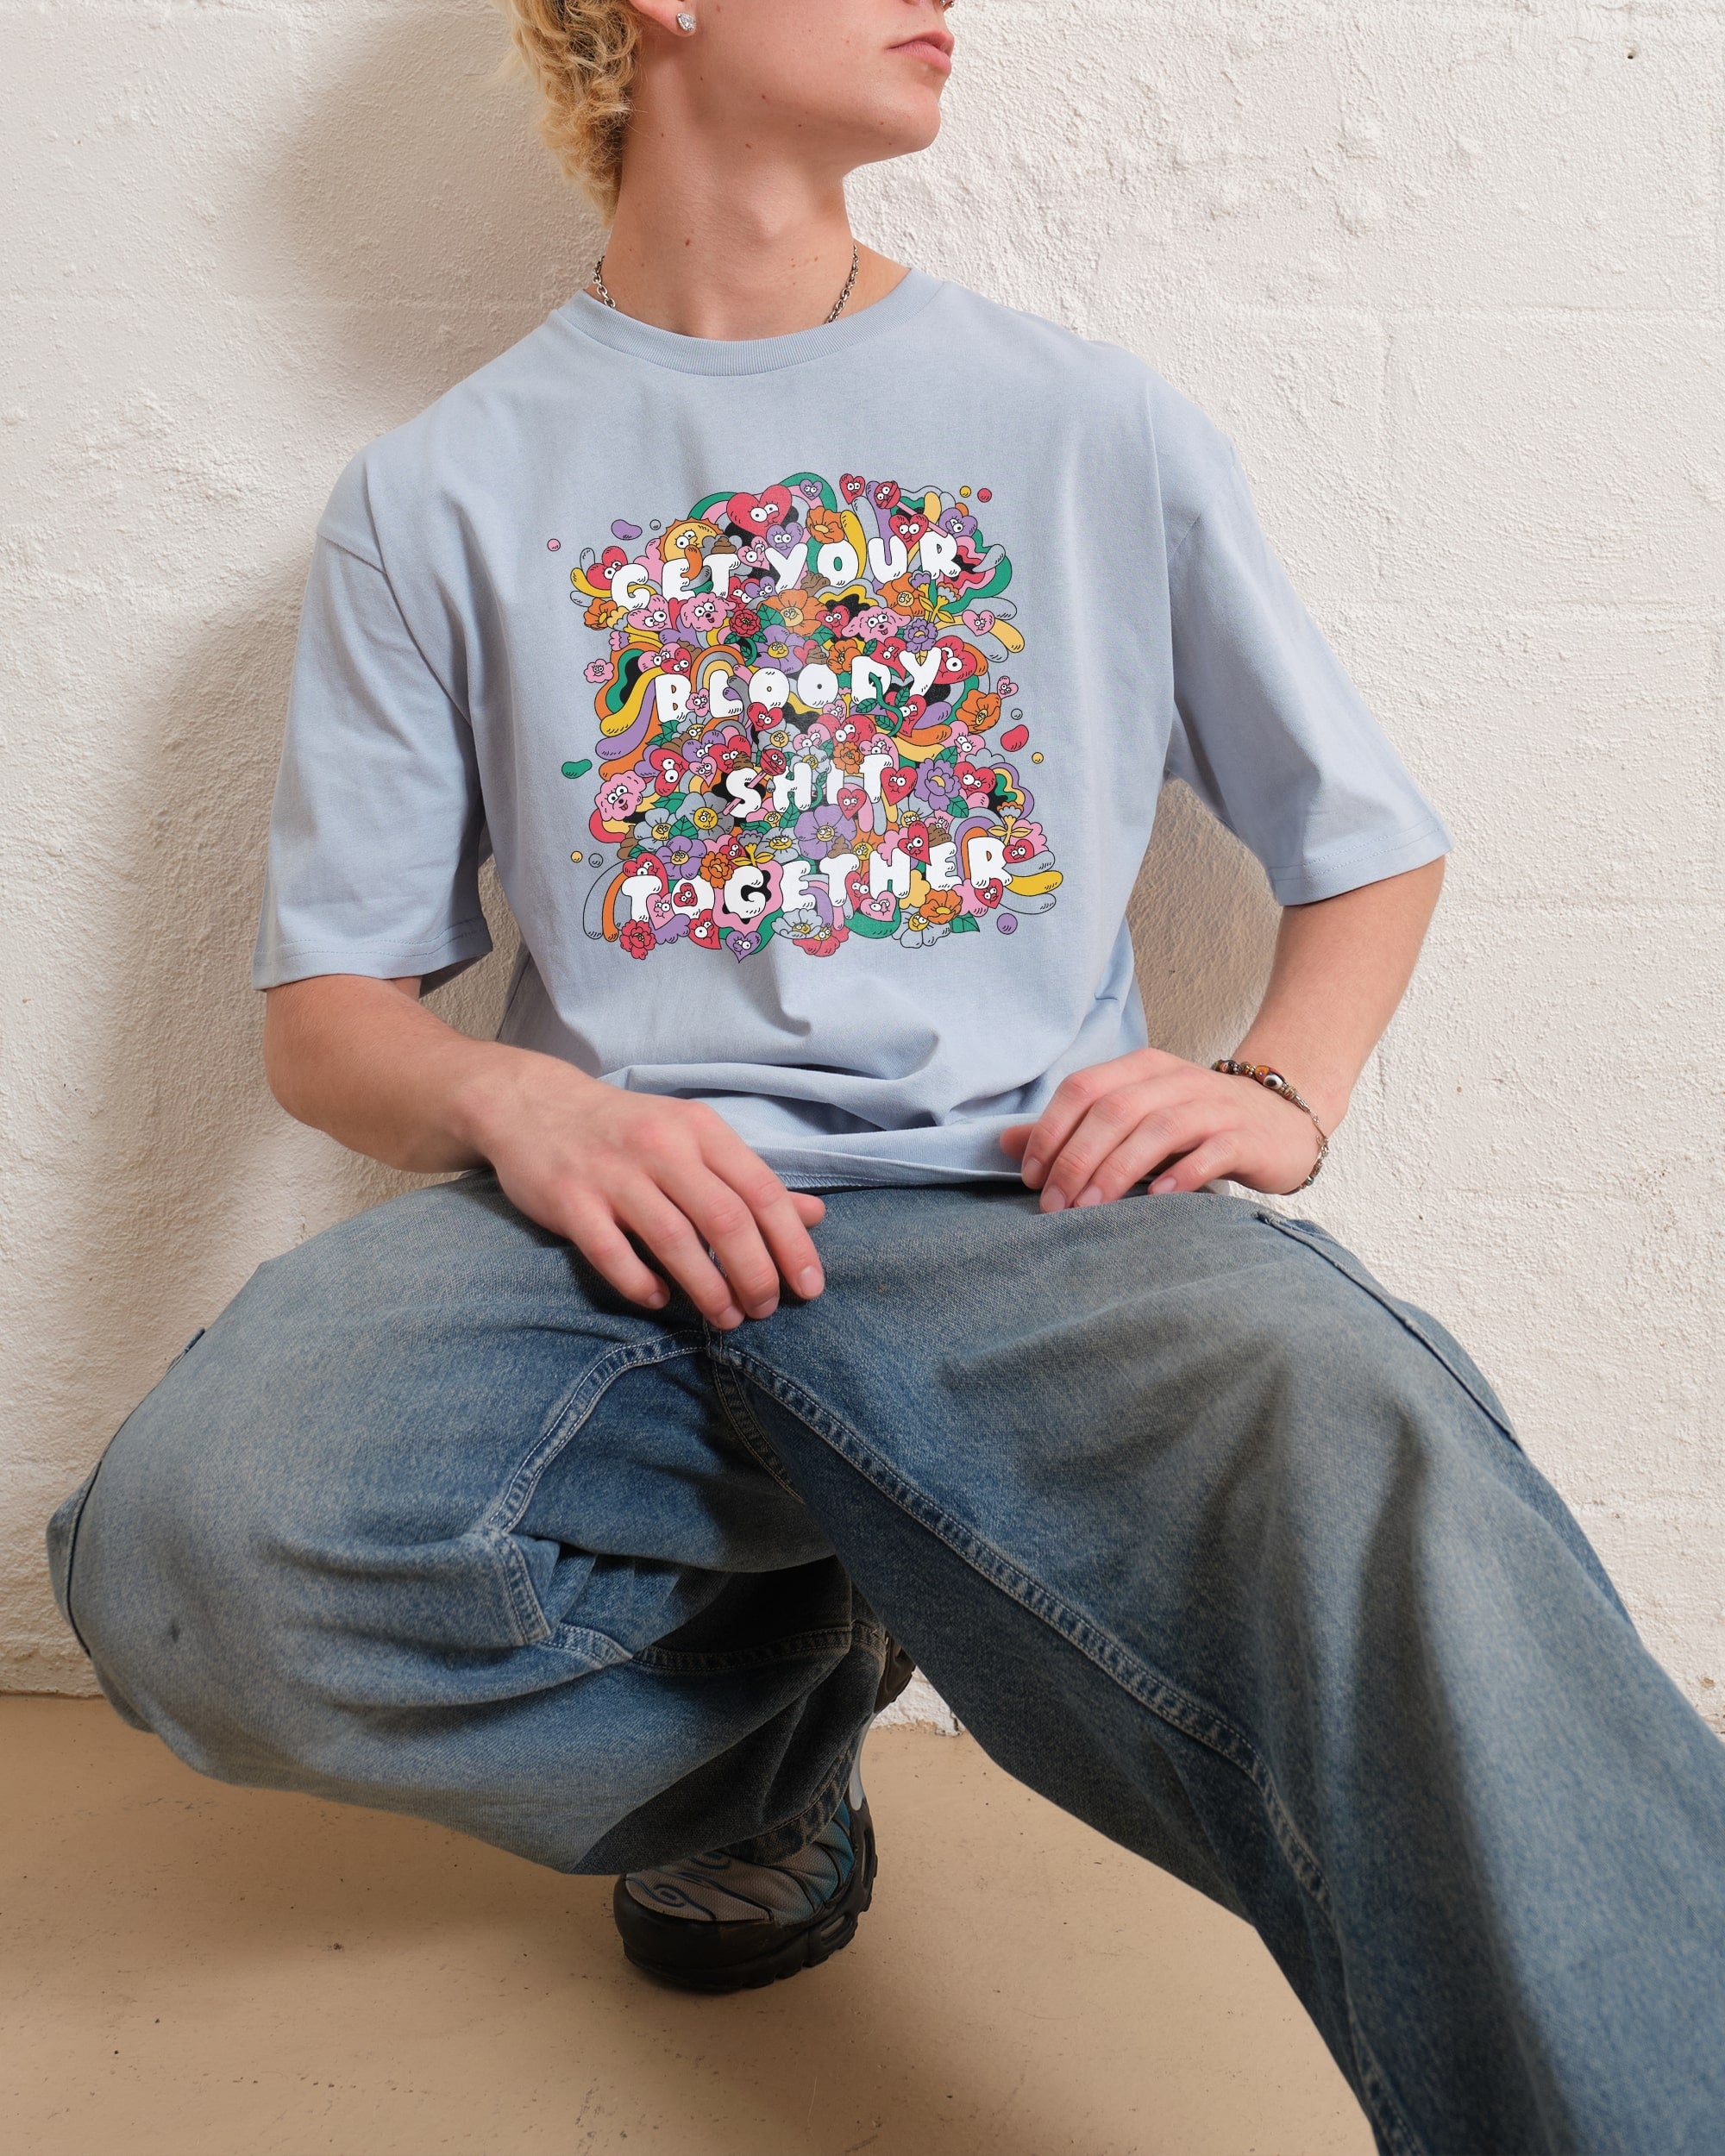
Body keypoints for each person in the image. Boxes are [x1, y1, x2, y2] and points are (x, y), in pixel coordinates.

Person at [46, 1, 1725, 2147]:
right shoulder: (442, 486)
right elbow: (331, 1011)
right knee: (194, 1555)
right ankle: (775, 1748)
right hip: (609, 1235)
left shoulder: (1084, 424)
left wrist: (1283, 1084)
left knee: (1378, 1457)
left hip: (1023, 1206)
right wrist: (522, 1104)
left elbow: (1366, 841)